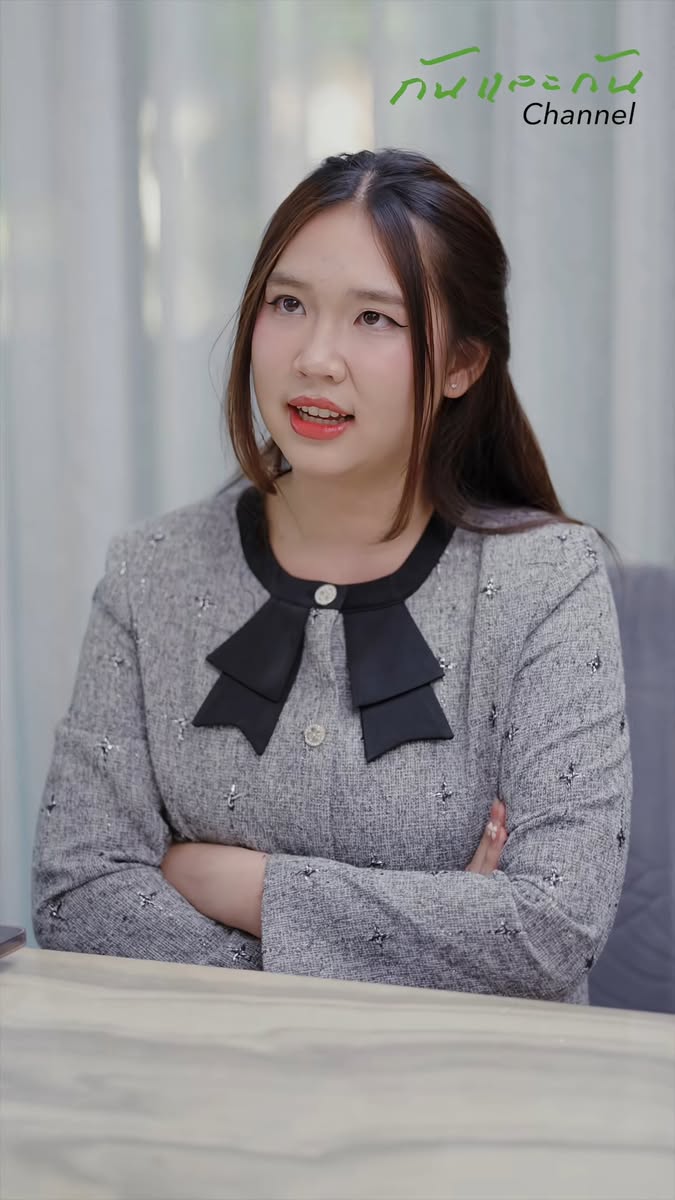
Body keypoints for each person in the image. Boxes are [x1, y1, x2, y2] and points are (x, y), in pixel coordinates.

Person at [32, 148, 631, 1003]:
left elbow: (547, 931)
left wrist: (227, 881)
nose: (315, 357)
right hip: (206, 1072)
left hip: (468, 1078)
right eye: (287, 304)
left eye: (374, 319)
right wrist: (435, 939)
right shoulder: (151, 572)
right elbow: (78, 898)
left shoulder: (545, 579)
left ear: (461, 364)